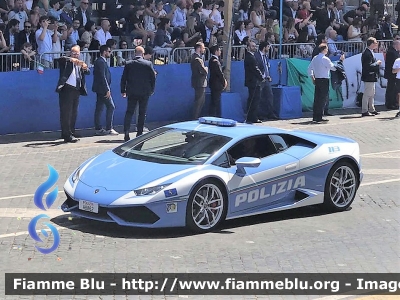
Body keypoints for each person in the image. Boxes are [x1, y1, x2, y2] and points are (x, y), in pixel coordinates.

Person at [55, 45, 90, 143]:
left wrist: (84, 67)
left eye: (77, 54)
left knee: (74, 113)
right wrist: (71, 59)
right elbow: (60, 59)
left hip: (76, 89)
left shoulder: (80, 63)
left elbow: (88, 72)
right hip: (67, 90)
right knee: (66, 113)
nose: (75, 55)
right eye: (73, 53)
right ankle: (67, 135)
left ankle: (71, 131)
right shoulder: (66, 62)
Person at [121, 46, 156, 142]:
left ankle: (126, 132)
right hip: (144, 92)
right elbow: (153, 78)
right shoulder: (148, 64)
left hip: (132, 92)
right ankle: (139, 133)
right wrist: (152, 89)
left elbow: (124, 78)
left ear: (134, 53)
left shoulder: (129, 64)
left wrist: (123, 90)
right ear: (143, 53)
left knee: (129, 112)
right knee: (142, 113)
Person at [307, 43, 344, 123]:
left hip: (317, 79)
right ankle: (319, 116)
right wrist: (340, 61)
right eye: (326, 49)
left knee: (317, 98)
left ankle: (315, 116)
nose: (327, 50)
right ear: (324, 50)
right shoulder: (325, 59)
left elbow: (309, 69)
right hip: (324, 79)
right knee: (322, 98)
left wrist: (312, 77)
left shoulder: (315, 58)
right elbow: (333, 68)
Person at [92, 44, 118, 136]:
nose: (110, 53)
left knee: (99, 108)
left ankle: (98, 128)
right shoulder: (101, 62)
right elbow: (102, 77)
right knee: (111, 107)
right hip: (102, 89)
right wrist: (107, 89)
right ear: (104, 52)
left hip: (100, 88)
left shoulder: (100, 61)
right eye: (109, 51)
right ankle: (109, 128)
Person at [254, 41, 278, 120]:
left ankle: (270, 113)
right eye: (268, 47)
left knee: (269, 96)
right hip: (259, 80)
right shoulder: (256, 56)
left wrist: (268, 76)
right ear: (264, 47)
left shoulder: (265, 56)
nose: (269, 48)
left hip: (266, 79)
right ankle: (259, 114)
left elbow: (266, 67)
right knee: (259, 97)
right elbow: (256, 68)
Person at [361, 37, 382, 117]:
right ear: (372, 44)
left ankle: (371, 109)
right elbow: (368, 66)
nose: (377, 44)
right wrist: (377, 63)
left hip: (372, 76)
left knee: (372, 93)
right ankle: (364, 110)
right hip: (368, 76)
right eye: (375, 43)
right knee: (367, 94)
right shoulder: (366, 53)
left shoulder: (370, 52)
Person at [244, 39, 264, 123]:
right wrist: (261, 77)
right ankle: (253, 117)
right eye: (252, 46)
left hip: (252, 81)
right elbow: (255, 69)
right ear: (248, 47)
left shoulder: (251, 56)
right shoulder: (250, 57)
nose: (254, 47)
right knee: (254, 100)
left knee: (253, 99)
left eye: (255, 46)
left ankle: (251, 116)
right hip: (253, 81)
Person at [190, 42, 208, 119]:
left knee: (201, 101)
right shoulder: (197, 59)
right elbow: (204, 71)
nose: (204, 49)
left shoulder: (198, 58)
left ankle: (196, 117)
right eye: (203, 48)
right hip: (199, 83)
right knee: (199, 102)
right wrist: (206, 68)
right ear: (199, 48)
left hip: (200, 82)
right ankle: (195, 118)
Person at [208, 45, 227, 118]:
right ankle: (213, 116)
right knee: (215, 101)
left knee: (214, 101)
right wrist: (224, 81)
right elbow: (219, 73)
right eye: (219, 50)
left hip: (214, 84)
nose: (220, 51)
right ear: (216, 51)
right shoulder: (215, 61)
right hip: (216, 84)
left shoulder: (213, 60)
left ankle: (213, 116)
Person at [384, 39, 400, 109]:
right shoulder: (391, 52)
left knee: (394, 89)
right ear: (396, 45)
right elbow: (392, 64)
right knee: (391, 89)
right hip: (391, 74)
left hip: (394, 74)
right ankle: (390, 103)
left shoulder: (394, 52)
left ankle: (394, 102)